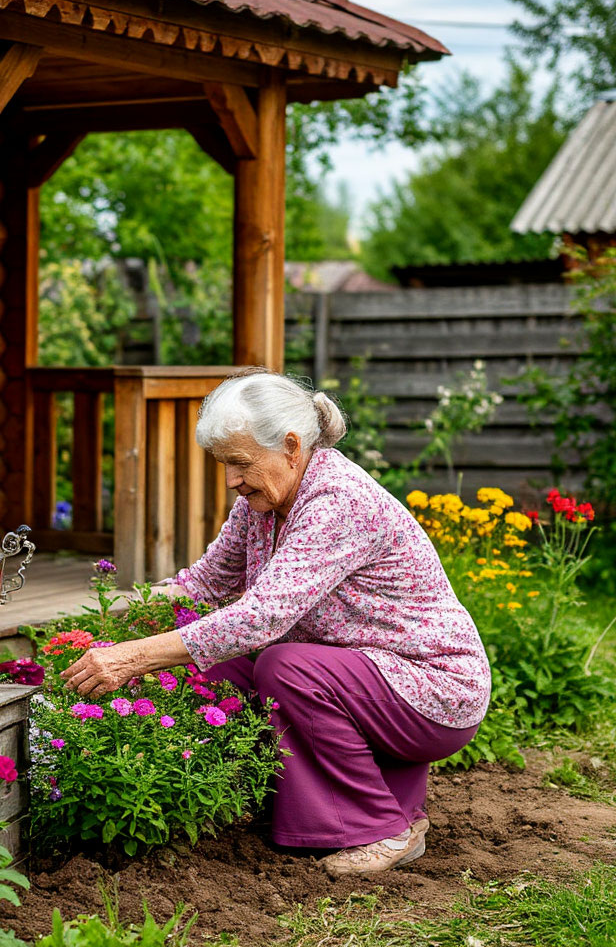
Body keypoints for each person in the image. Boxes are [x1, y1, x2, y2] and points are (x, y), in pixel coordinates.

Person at [61, 370, 491, 875]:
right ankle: (344, 805)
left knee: (283, 667)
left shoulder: (337, 501)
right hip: (370, 677)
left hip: (434, 689)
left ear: (291, 446)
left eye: (240, 463)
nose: (231, 480)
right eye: (224, 464)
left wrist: (131, 658)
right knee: (214, 666)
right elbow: (204, 584)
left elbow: (260, 618)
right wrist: (110, 617)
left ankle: (377, 827)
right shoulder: (264, 501)